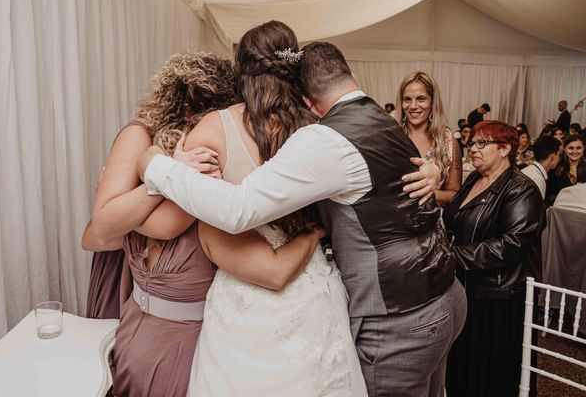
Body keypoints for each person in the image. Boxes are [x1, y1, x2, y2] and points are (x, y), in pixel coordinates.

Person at [139, 39, 466, 397]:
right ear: (351, 77)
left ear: (308, 101)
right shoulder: (377, 115)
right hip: (446, 297)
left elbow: (238, 209)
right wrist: (433, 168)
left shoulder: (324, 141)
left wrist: (156, 165)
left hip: (401, 320)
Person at [82, 52, 325, 397]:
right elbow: (98, 232)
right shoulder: (156, 144)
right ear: (185, 111)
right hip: (140, 317)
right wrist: (164, 175)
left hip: (189, 328)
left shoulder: (206, 157)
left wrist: (162, 175)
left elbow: (150, 227)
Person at [443, 120, 545, 397]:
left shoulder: (521, 188)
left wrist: (450, 256)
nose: (473, 149)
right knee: (464, 364)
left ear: (505, 149)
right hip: (466, 287)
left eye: (482, 143)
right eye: (472, 143)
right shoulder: (474, 179)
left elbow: (511, 244)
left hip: (499, 296)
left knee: (492, 372)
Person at [396, 71, 462, 206]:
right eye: (407, 99)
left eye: (421, 99)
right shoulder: (391, 136)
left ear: (433, 101)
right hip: (392, 222)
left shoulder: (448, 142)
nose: (413, 106)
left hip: (431, 222)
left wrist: (428, 192)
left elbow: (455, 193)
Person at [546, 134, 585, 205]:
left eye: (578, 148)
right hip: (560, 208)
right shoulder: (555, 167)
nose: (574, 151)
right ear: (564, 149)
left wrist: (577, 179)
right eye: (571, 148)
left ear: (584, 148)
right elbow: (549, 195)